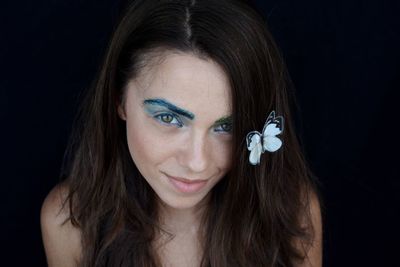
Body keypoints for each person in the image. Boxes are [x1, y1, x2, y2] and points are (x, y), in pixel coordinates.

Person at [40, 0, 322, 266]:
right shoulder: (70, 222)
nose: (197, 162)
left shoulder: (291, 214)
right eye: (168, 118)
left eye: (227, 127)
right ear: (119, 100)